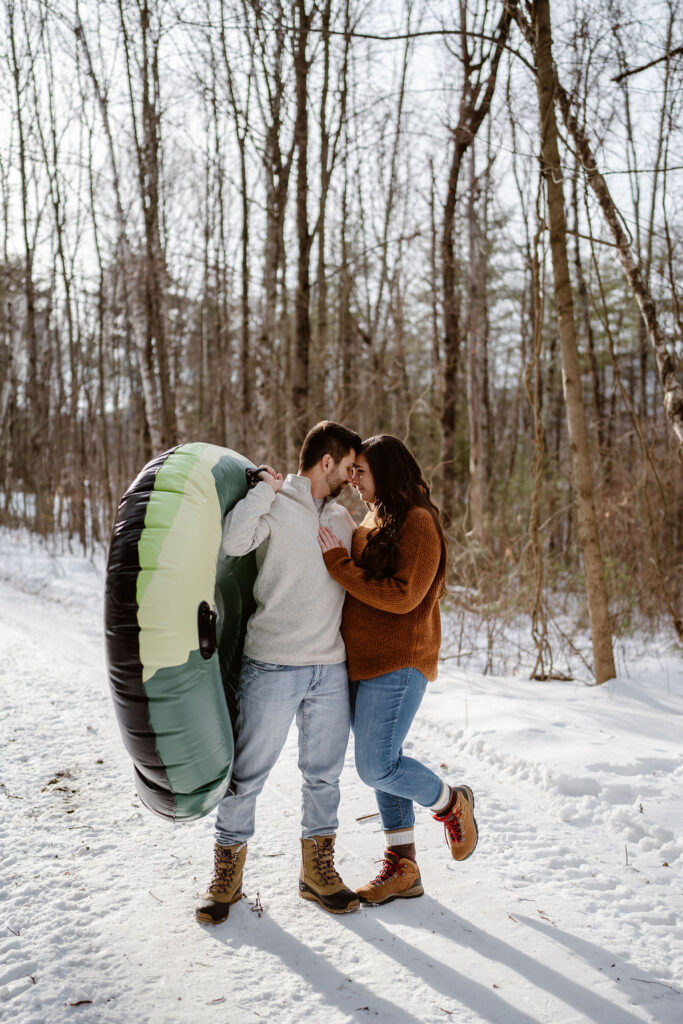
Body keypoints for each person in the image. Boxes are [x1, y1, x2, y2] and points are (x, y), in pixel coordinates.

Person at [195, 420, 363, 924]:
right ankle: (226, 877)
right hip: (272, 663)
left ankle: (318, 874)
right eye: (349, 467)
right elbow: (234, 541)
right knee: (246, 777)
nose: (353, 478)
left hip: (329, 667)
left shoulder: (343, 518)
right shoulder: (274, 502)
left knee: (324, 777)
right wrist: (262, 493)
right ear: (326, 462)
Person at [317, 434, 478, 906]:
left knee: (377, 765)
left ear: (385, 472)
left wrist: (340, 566)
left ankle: (452, 802)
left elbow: (405, 595)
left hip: (401, 660)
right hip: (363, 662)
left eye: (361, 472)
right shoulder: (379, 515)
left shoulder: (420, 523)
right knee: (386, 764)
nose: (354, 479)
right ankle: (403, 865)